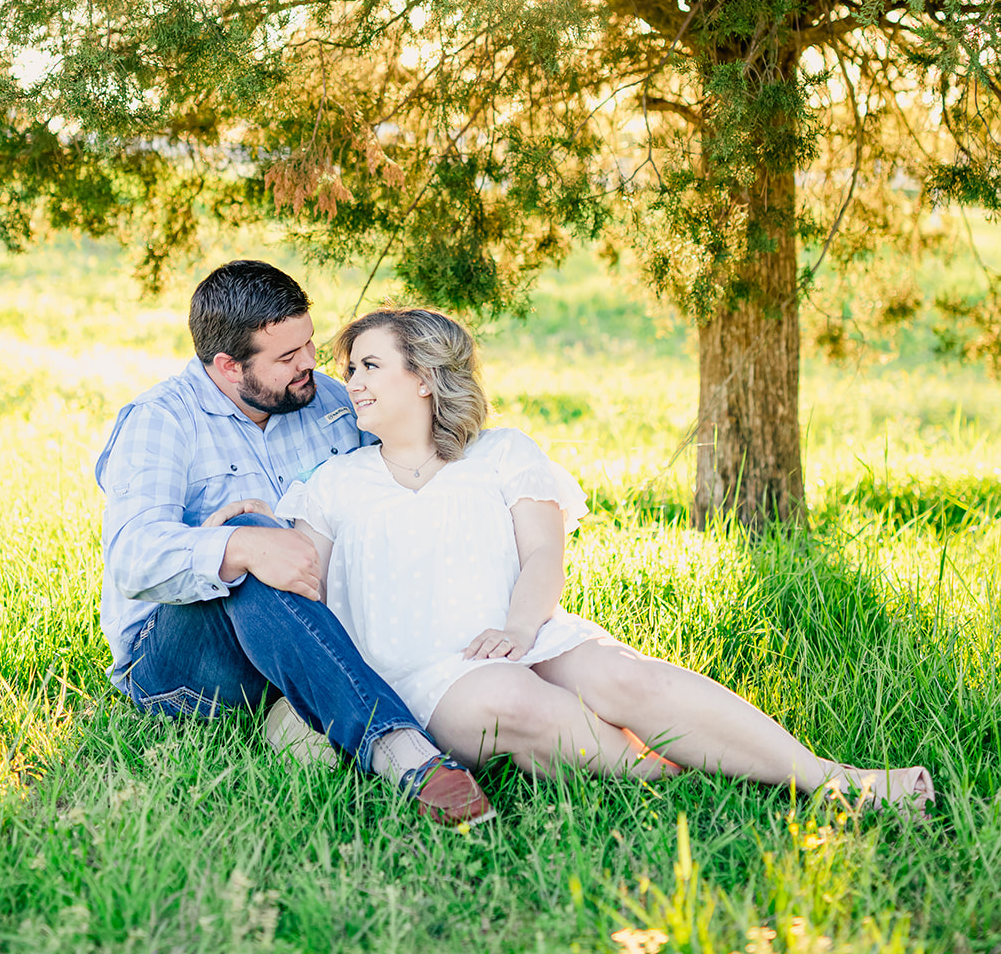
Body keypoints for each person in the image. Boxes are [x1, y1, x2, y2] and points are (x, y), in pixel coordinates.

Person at [213, 307, 933, 809]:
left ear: (425, 377)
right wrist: (243, 524)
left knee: (626, 677)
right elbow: (299, 577)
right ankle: (683, 780)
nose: (352, 382)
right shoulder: (336, 481)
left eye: (369, 365)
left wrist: (522, 632)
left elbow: (541, 560)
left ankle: (833, 779)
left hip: (522, 633)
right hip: (414, 669)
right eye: (351, 367)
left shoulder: (502, 455)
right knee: (509, 699)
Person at [95, 261, 493, 826]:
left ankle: (304, 716)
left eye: (308, 343)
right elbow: (133, 560)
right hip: (184, 670)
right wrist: (245, 547)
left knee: (270, 544)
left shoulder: (332, 404)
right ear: (228, 367)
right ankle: (403, 751)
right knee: (254, 537)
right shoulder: (162, 421)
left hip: (312, 639)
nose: (311, 363)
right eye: (286, 358)